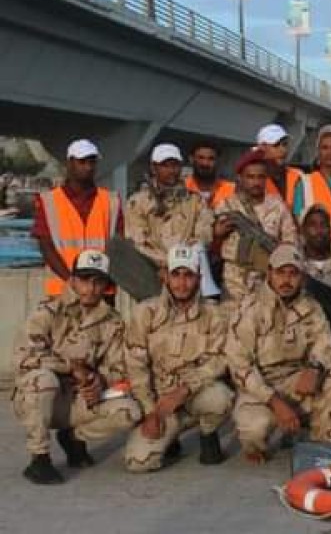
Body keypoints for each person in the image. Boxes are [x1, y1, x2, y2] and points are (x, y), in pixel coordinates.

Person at [11, 250, 140, 484]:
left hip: (81, 398)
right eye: (84, 279)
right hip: (45, 399)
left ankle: (73, 436)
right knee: (43, 380)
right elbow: (25, 357)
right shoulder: (48, 312)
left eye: (97, 281)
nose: (90, 288)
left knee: (129, 412)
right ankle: (39, 459)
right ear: (72, 280)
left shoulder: (113, 322)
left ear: (105, 286)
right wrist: (70, 368)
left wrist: (99, 382)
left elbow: (120, 368)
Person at [226, 244, 331, 464]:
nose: (287, 280)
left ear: (301, 278)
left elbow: (328, 345)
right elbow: (240, 367)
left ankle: (320, 436)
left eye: (293, 273)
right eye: (281, 272)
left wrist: (316, 367)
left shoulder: (310, 307)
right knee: (254, 430)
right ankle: (267, 439)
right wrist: (275, 402)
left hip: (297, 380)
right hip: (260, 385)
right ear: (270, 273)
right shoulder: (249, 308)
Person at [124, 245, 232, 472]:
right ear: (165, 277)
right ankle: (169, 437)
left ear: (199, 278)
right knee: (138, 462)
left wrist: (184, 390)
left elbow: (220, 360)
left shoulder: (215, 315)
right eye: (176, 274)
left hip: (194, 395)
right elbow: (136, 368)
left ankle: (208, 433)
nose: (182, 283)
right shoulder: (145, 313)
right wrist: (151, 412)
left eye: (188, 275)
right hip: (159, 403)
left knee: (221, 397)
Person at [33, 139, 123, 297]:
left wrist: (98, 281)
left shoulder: (111, 201)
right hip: (62, 290)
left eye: (92, 162)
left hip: (101, 290)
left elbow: (119, 244)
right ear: (69, 163)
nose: (88, 167)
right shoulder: (48, 201)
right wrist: (71, 280)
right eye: (82, 161)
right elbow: (46, 246)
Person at [211, 149, 297, 304]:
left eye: (260, 177)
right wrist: (217, 234)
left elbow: (290, 244)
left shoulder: (278, 207)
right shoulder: (227, 205)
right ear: (240, 178)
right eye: (250, 177)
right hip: (234, 282)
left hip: (267, 283)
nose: (256, 182)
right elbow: (210, 244)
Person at [124, 143, 213, 269]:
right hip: (151, 270)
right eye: (165, 166)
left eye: (175, 165)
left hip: (187, 269)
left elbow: (203, 236)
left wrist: (181, 261)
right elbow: (137, 242)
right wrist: (167, 263)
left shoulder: (196, 201)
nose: (172, 170)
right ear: (154, 168)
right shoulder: (137, 202)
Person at [294, 124, 331, 229]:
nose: (330, 152)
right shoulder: (305, 183)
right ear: (318, 152)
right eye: (325, 148)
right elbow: (298, 220)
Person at [298, 205, 331, 292]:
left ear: (330, 230)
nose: (319, 230)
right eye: (313, 225)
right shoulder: (296, 266)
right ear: (303, 230)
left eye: (323, 225)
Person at [255, 124, 303, 209]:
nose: (283, 150)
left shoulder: (298, 175)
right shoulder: (254, 180)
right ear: (262, 147)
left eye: (284, 144)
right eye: (276, 145)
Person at [185, 140, 236, 209]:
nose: (205, 163)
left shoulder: (232, 190)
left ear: (218, 161)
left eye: (211, 159)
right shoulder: (183, 187)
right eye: (201, 158)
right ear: (191, 159)